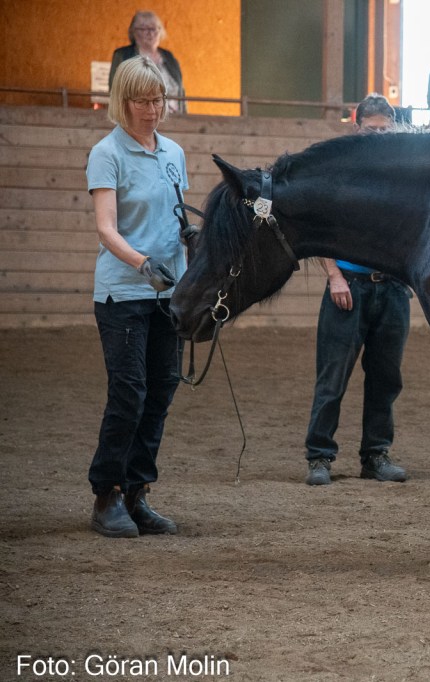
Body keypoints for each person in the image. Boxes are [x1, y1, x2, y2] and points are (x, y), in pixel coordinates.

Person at [86, 56, 187, 537]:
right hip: (123, 293)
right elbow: (107, 228)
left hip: (169, 294)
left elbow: (176, 217)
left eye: (158, 100)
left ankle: (137, 492)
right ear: (122, 102)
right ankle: (106, 494)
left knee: (161, 391)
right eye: (143, 101)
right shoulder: (107, 153)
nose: (153, 110)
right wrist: (143, 264)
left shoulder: (174, 153)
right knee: (129, 394)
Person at [303, 94, 412, 486]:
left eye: (384, 129)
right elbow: (319, 229)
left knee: (386, 378)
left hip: (392, 288)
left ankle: (376, 454)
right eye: (371, 129)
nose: (378, 135)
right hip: (348, 286)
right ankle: (319, 456)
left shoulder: (401, 177)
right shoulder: (339, 172)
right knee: (332, 378)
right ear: (357, 127)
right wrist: (334, 275)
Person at [109, 10, 186, 114]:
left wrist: (185, 117)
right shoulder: (123, 55)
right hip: (139, 118)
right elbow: (115, 92)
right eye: (143, 28)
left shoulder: (169, 57)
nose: (150, 33)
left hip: (174, 118)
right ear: (133, 32)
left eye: (153, 28)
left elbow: (181, 92)